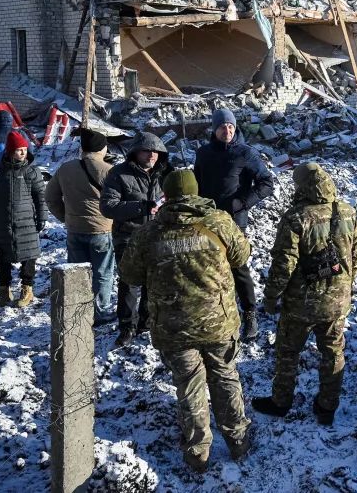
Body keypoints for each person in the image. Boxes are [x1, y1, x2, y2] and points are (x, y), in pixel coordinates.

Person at [120, 169, 253, 472]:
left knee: (189, 386)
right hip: (218, 322)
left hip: (173, 326)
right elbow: (242, 255)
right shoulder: (219, 222)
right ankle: (237, 439)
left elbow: (129, 275)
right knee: (225, 376)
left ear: (166, 195)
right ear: (197, 191)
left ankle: (198, 453)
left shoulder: (149, 232)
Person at [252, 163, 357, 426]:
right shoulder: (348, 211)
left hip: (301, 304)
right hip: (338, 302)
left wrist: (271, 296)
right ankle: (327, 407)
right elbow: (356, 256)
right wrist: (345, 287)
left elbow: (283, 264)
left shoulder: (296, 217)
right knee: (333, 353)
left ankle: (281, 402)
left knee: (288, 352)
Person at [194, 108, 274, 341]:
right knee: (209, 268)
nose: (227, 130)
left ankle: (250, 314)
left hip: (233, 221)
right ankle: (214, 311)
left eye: (230, 126)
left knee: (238, 267)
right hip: (206, 220)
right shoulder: (203, 153)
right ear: (214, 129)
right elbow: (197, 182)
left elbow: (266, 183)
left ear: (235, 127)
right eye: (222, 126)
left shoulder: (246, 153)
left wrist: (243, 202)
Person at [100, 132, 172, 347]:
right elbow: (108, 206)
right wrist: (142, 206)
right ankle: (127, 325)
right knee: (129, 282)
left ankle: (146, 321)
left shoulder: (166, 173)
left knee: (153, 281)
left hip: (158, 236)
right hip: (128, 237)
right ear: (135, 152)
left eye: (156, 151)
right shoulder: (118, 174)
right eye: (146, 151)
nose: (151, 155)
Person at [46, 128, 115, 324]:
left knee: (76, 271)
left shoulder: (65, 169)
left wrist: (65, 217)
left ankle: (77, 309)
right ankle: (100, 312)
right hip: (101, 230)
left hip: (74, 229)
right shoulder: (108, 171)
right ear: (102, 149)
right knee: (102, 272)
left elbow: (50, 197)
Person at [0, 131, 45, 307]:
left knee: (29, 256)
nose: (23, 152)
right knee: (2, 257)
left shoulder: (32, 171)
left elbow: (40, 196)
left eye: (24, 149)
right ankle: (4, 290)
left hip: (26, 223)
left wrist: (42, 217)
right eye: (18, 150)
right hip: (2, 222)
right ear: (10, 152)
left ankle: (27, 289)